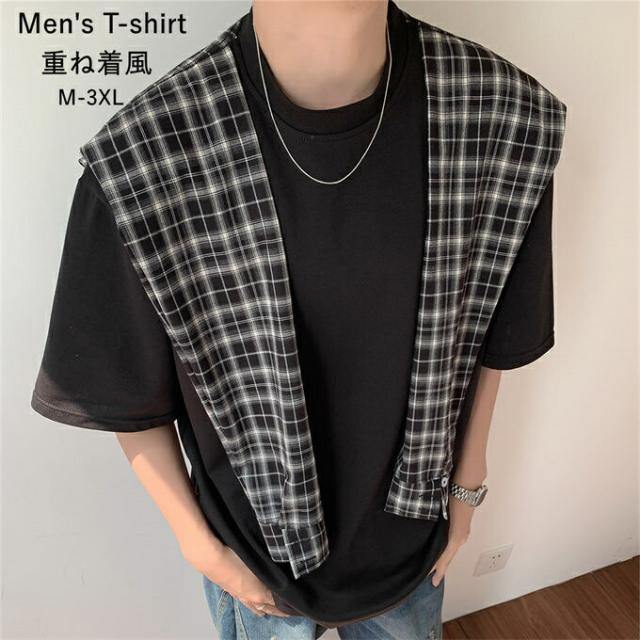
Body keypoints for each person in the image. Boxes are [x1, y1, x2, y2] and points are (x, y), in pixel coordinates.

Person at [30, 1, 566, 638]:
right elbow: (125, 394)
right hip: (252, 560)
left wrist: (467, 489)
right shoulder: (149, 154)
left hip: (412, 541)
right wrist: (202, 548)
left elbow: (493, 335)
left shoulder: (500, 115)